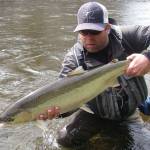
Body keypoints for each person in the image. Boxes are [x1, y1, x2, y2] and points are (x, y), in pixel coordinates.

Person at [39, 2, 150, 149]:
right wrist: (56, 112)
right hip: (95, 113)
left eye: (95, 31)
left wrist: (147, 57)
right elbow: (68, 102)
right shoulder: (73, 60)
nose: (89, 37)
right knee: (63, 141)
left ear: (107, 28)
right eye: (84, 32)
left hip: (129, 111)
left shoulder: (128, 36)